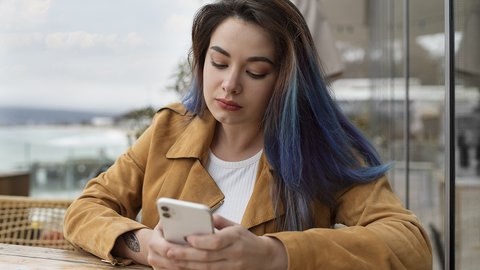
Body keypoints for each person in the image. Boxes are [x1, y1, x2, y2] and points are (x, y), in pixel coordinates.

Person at [64, 0, 432, 269]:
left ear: (286, 80)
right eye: (219, 63)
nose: (230, 85)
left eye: (255, 71)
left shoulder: (322, 146)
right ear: (201, 60)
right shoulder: (168, 129)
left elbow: (409, 244)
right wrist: (142, 243)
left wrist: (275, 253)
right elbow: (85, 209)